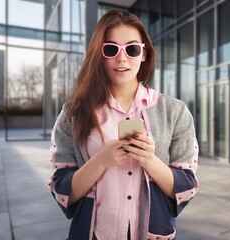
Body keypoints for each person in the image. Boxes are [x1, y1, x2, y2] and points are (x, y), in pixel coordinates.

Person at [48, 9, 199, 240]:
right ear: (100, 54)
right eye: (111, 49)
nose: (122, 58)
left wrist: (149, 160)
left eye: (132, 48)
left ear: (144, 54)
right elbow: (61, 188)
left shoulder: (175, 111)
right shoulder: (74, 113)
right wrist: (101, 160)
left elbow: (187, 185)